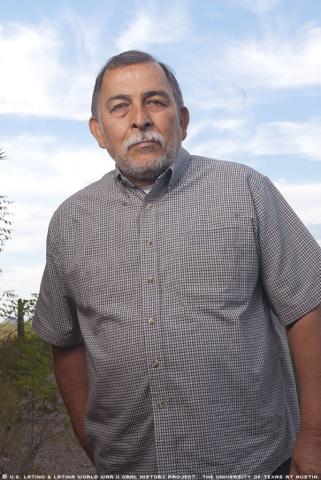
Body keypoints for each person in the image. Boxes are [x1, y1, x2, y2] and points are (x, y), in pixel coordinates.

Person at [33, 50, 321, 477]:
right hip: (129, 467)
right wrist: (90, 438)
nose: (140, 118)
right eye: (119, 106)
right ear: (98, 131)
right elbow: (65, 340)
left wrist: (314, 438)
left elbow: (308, 308)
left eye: (155, 100)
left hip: (255, 463)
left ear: (182, 120)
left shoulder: (246, 191)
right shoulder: (69, 222)